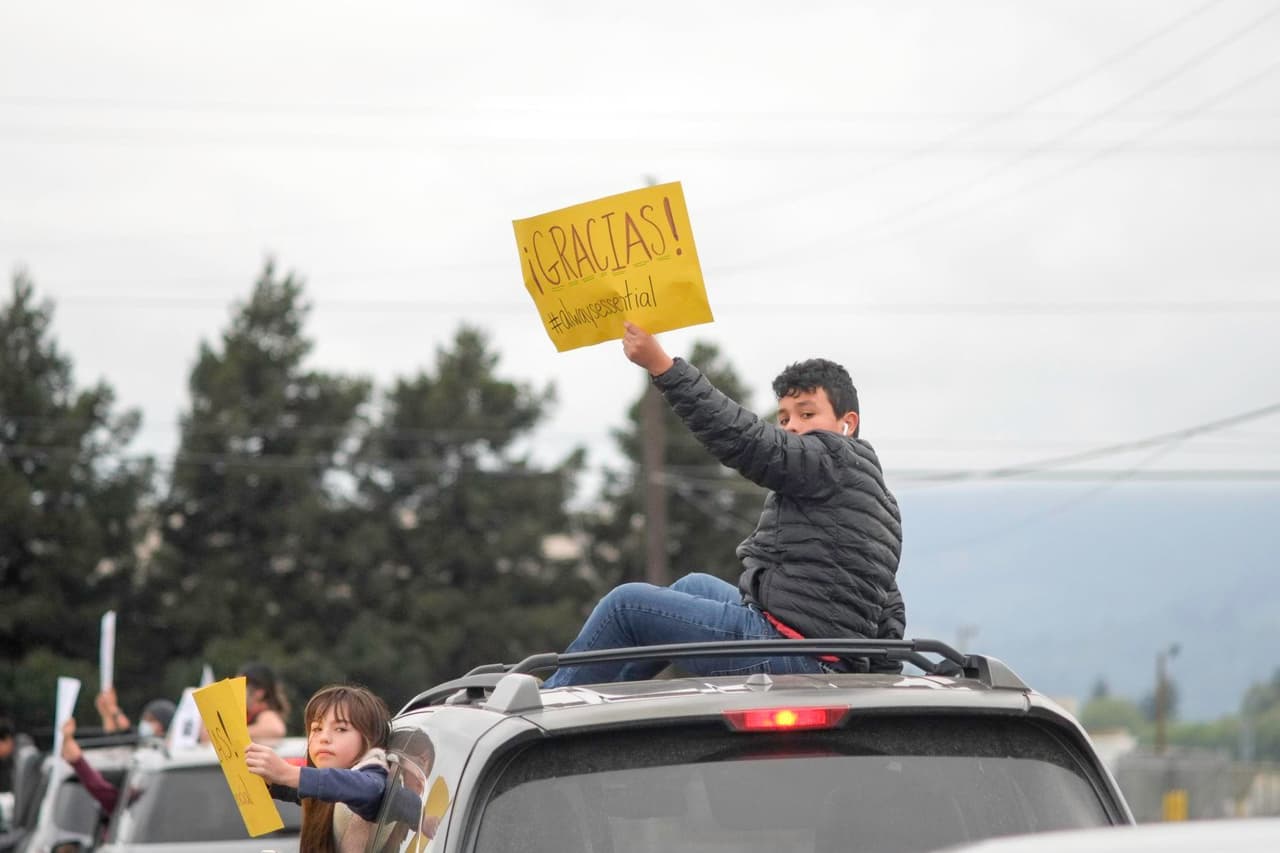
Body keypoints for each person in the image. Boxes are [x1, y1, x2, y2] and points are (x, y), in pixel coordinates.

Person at [542, 322, 903, 687]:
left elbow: (746, 439)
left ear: (847, 423)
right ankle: (608, 692)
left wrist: (664, 368)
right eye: (784, 418)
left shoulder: (831, 458)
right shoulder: (879, 500)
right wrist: (876, 691)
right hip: (820, 659)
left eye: (807, 414)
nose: (791, 427)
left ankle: (552, 705)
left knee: (626, 606)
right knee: (692, 585)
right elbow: (887, 609)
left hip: (792, 655)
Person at [245, 685, 391, 853]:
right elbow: (312, 791)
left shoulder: (371, 778)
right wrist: (270, 782)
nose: (324, 738)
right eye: (317, 729)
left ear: (369, 738)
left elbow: (367, 789)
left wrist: (287, 773)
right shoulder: (328, 789)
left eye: (341, 729)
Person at [240, 662, 289, 740]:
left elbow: (276, 729)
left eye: (240, 686)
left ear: (259, 692)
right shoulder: (250, 714)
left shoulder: (265, 713)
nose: (235, 691)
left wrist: (233, 734)